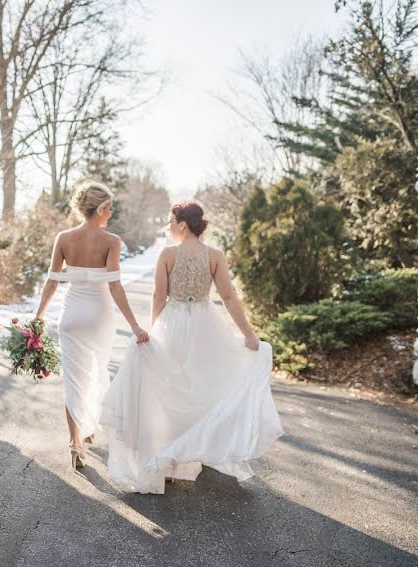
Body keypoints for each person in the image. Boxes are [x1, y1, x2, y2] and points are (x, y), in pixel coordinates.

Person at [101, 202, 283, 494]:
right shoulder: (215, 255)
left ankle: (172, 459)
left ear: (183, 224)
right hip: (204, 324)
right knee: (198, 386)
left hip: (172, 322)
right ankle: (186, 458)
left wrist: (154, 329)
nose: (168, 227)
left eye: (171, 222)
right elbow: (228, 296)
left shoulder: (168, 254)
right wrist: (247, 333)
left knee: (171, 388)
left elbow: (159, 295)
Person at [34, 181, 149, 469]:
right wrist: (134, 326)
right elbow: (115, 287)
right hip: (99, 316)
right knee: (97, 372)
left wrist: (38, 315)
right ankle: (89, 428)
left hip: (71, 315)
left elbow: (51, 281)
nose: (111, 213)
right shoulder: (111, 241)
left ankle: (75, 441)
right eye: (109, 208)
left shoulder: (64, 237)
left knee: (73, 379)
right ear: (100, 209)